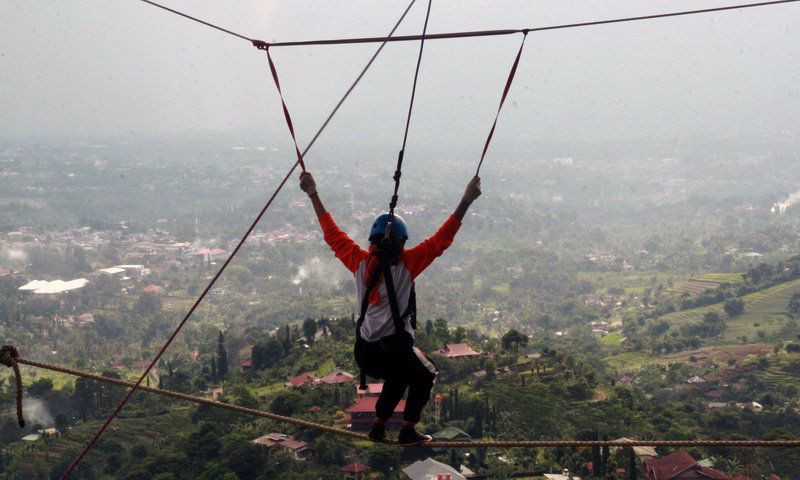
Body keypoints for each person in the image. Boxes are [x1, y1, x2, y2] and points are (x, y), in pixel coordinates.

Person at [299, 171, 482, 446]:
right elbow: (441, 240)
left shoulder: (359, 262)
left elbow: (332, 234)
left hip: (365, 353)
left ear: (372, 239)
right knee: (426, 373)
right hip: (392, 349)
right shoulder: (408, 265)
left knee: (400, 374)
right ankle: (407, 430)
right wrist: (466, 201)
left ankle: (378, 426)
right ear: (402, 242)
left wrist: (313, 193)